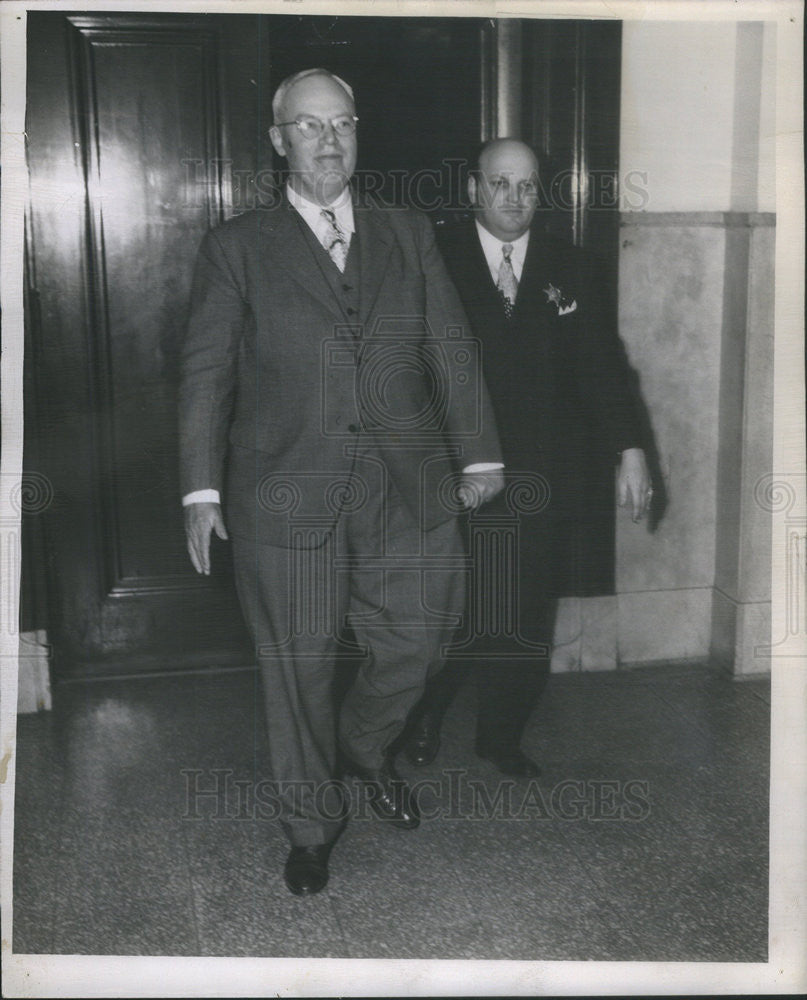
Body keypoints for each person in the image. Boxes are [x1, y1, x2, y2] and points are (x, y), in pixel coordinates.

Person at [178, 69, 503, 896]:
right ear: (278, 138)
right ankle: (311, 825)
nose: (327, 140)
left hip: (406, 481)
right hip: (282, 487)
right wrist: (199, 492)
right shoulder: (236, 247)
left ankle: (361, 746)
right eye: (308, 125)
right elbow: (206, 374)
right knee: (297, 668)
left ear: (357, 133)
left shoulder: (406, 230)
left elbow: (450, 346)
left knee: (422, 636)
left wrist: (479, 455)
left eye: (342, 124)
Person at [399, 138, 652, 777]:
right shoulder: (433, 257)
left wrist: (630, 448)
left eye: (527, 186)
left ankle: (501, 734)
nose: (515, 200)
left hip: (543, 471)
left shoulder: (572, 263)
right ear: (474, 190)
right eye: (500, 184)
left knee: (523, 608)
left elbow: (602, 366)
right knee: (454, 605)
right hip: (456, 469)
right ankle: (423, 714)